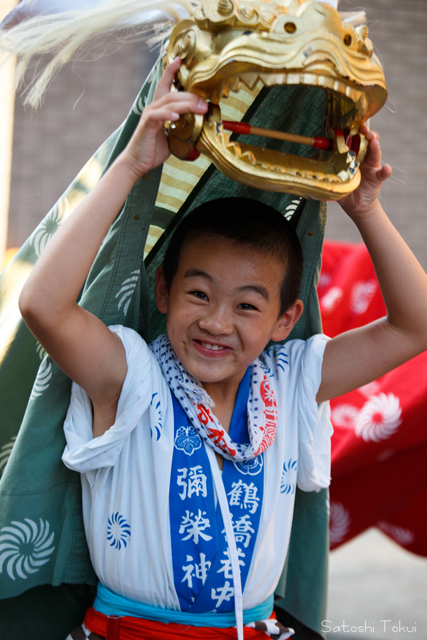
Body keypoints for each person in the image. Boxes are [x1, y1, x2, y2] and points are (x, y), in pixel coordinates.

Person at [18, 57, 427, 640]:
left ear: (287, 319)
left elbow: (414, 325)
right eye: (199, 293)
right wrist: (133, 165)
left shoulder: (292, 380)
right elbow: (43, 306)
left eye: (247, 306)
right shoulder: (129, 374)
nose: (216, 322)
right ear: (163, 291)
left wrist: (365, 208)